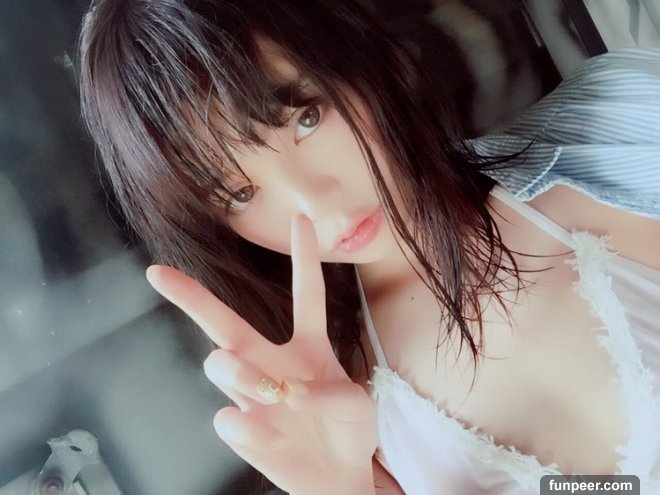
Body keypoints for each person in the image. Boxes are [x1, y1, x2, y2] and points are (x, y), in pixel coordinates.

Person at [76, 0, 660, 493]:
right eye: (239, 193)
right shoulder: (346, 415)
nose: (316, 204)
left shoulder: (619, 132)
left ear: (351, 60)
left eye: (305, 119)